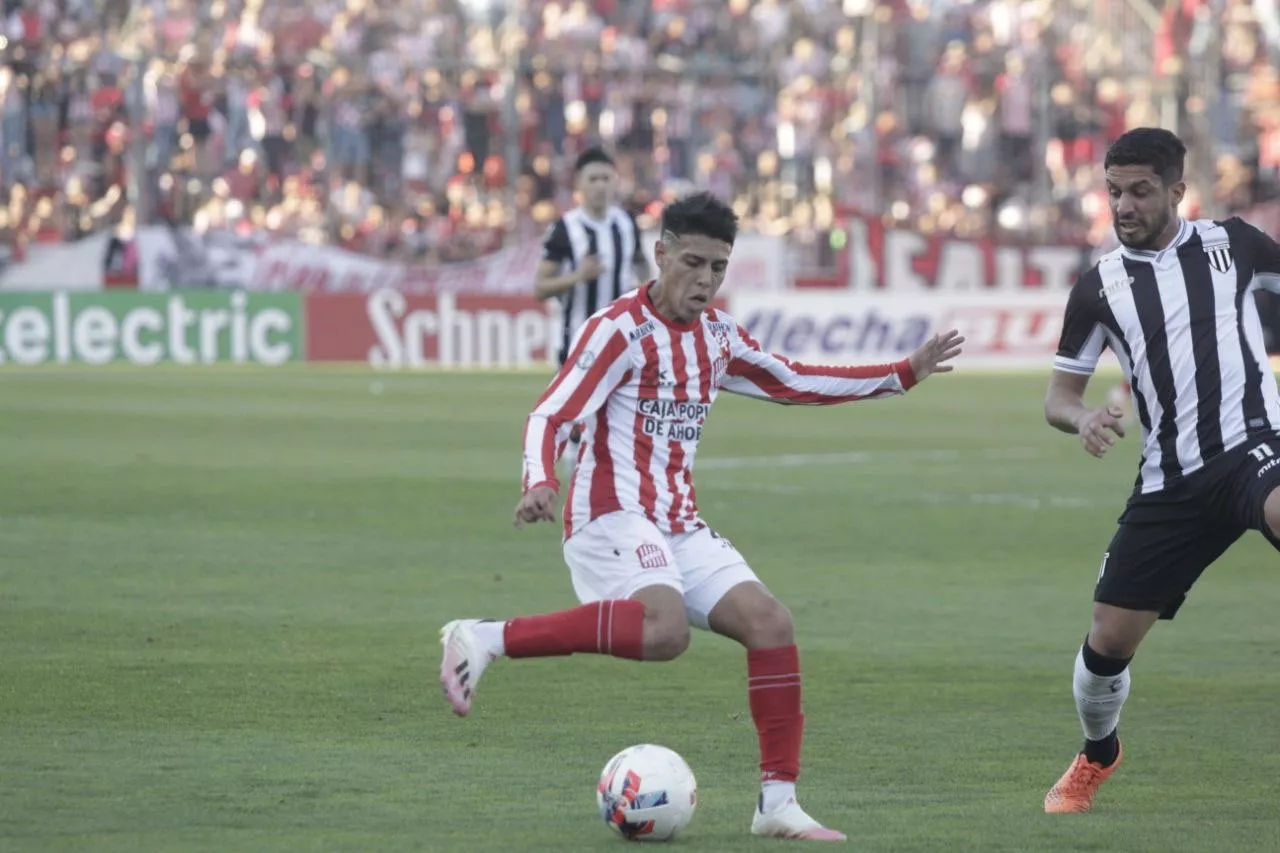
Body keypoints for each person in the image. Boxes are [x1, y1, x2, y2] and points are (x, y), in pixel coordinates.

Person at [440, 191, 964, 841]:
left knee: (770, 623)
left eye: (719, 268)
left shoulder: (718, 335)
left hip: (676, 521)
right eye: (694, 262)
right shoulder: (618, 330)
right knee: (665, 630)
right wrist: (540, 479)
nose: (707, 280)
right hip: (611, 512)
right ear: (660, 254)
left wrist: (900, 373)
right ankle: (486, 636)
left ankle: (776, 803)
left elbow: (792, 380)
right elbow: (551, 412)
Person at [1044, 127, 1280, 813]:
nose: (1123, 205)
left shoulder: (1233, 244)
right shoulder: (1098, 288)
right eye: (1114, 191)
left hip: (1253, 447)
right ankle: (1098, 754)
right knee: (1105, 645)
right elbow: (1059, 395)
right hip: (1170, 480)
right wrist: (1081, 417)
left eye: (1140, 191)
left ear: (1178, 190)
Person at [535, 147, 651, 477]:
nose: (601, 185)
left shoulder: (627, 224)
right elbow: (540, 287)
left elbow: (642, 266)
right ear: (579, 184)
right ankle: (579, 505)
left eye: (606, 178)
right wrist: (576, 277)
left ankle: (619, 501)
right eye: (593, 179)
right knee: (578, 426)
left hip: (625, 342)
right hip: (577, 341)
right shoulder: (565, 229)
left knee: (622, 424)